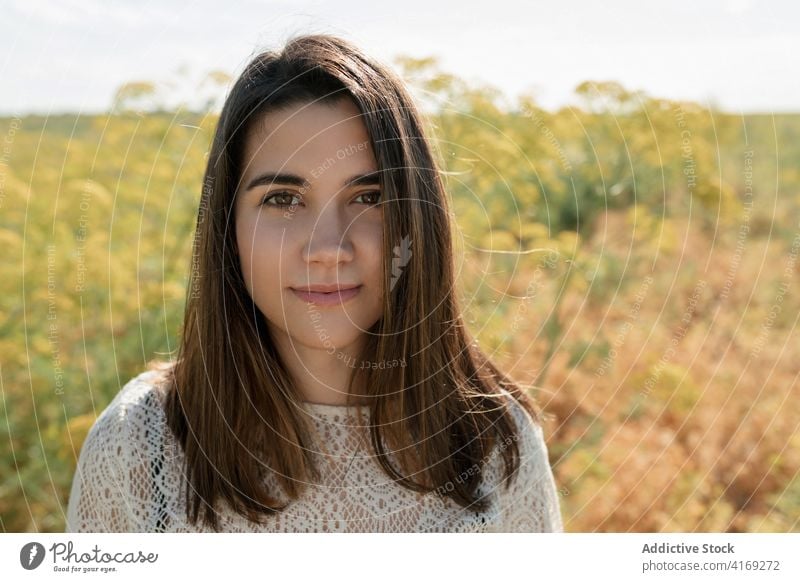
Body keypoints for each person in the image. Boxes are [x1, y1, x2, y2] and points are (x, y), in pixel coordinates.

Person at [65, 33, 564, 533]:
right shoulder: (139, 442)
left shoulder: (496, 441)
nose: (328, 247)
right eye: (282, 199)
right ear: (227, 227)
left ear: (417, 220)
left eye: (369, 197)